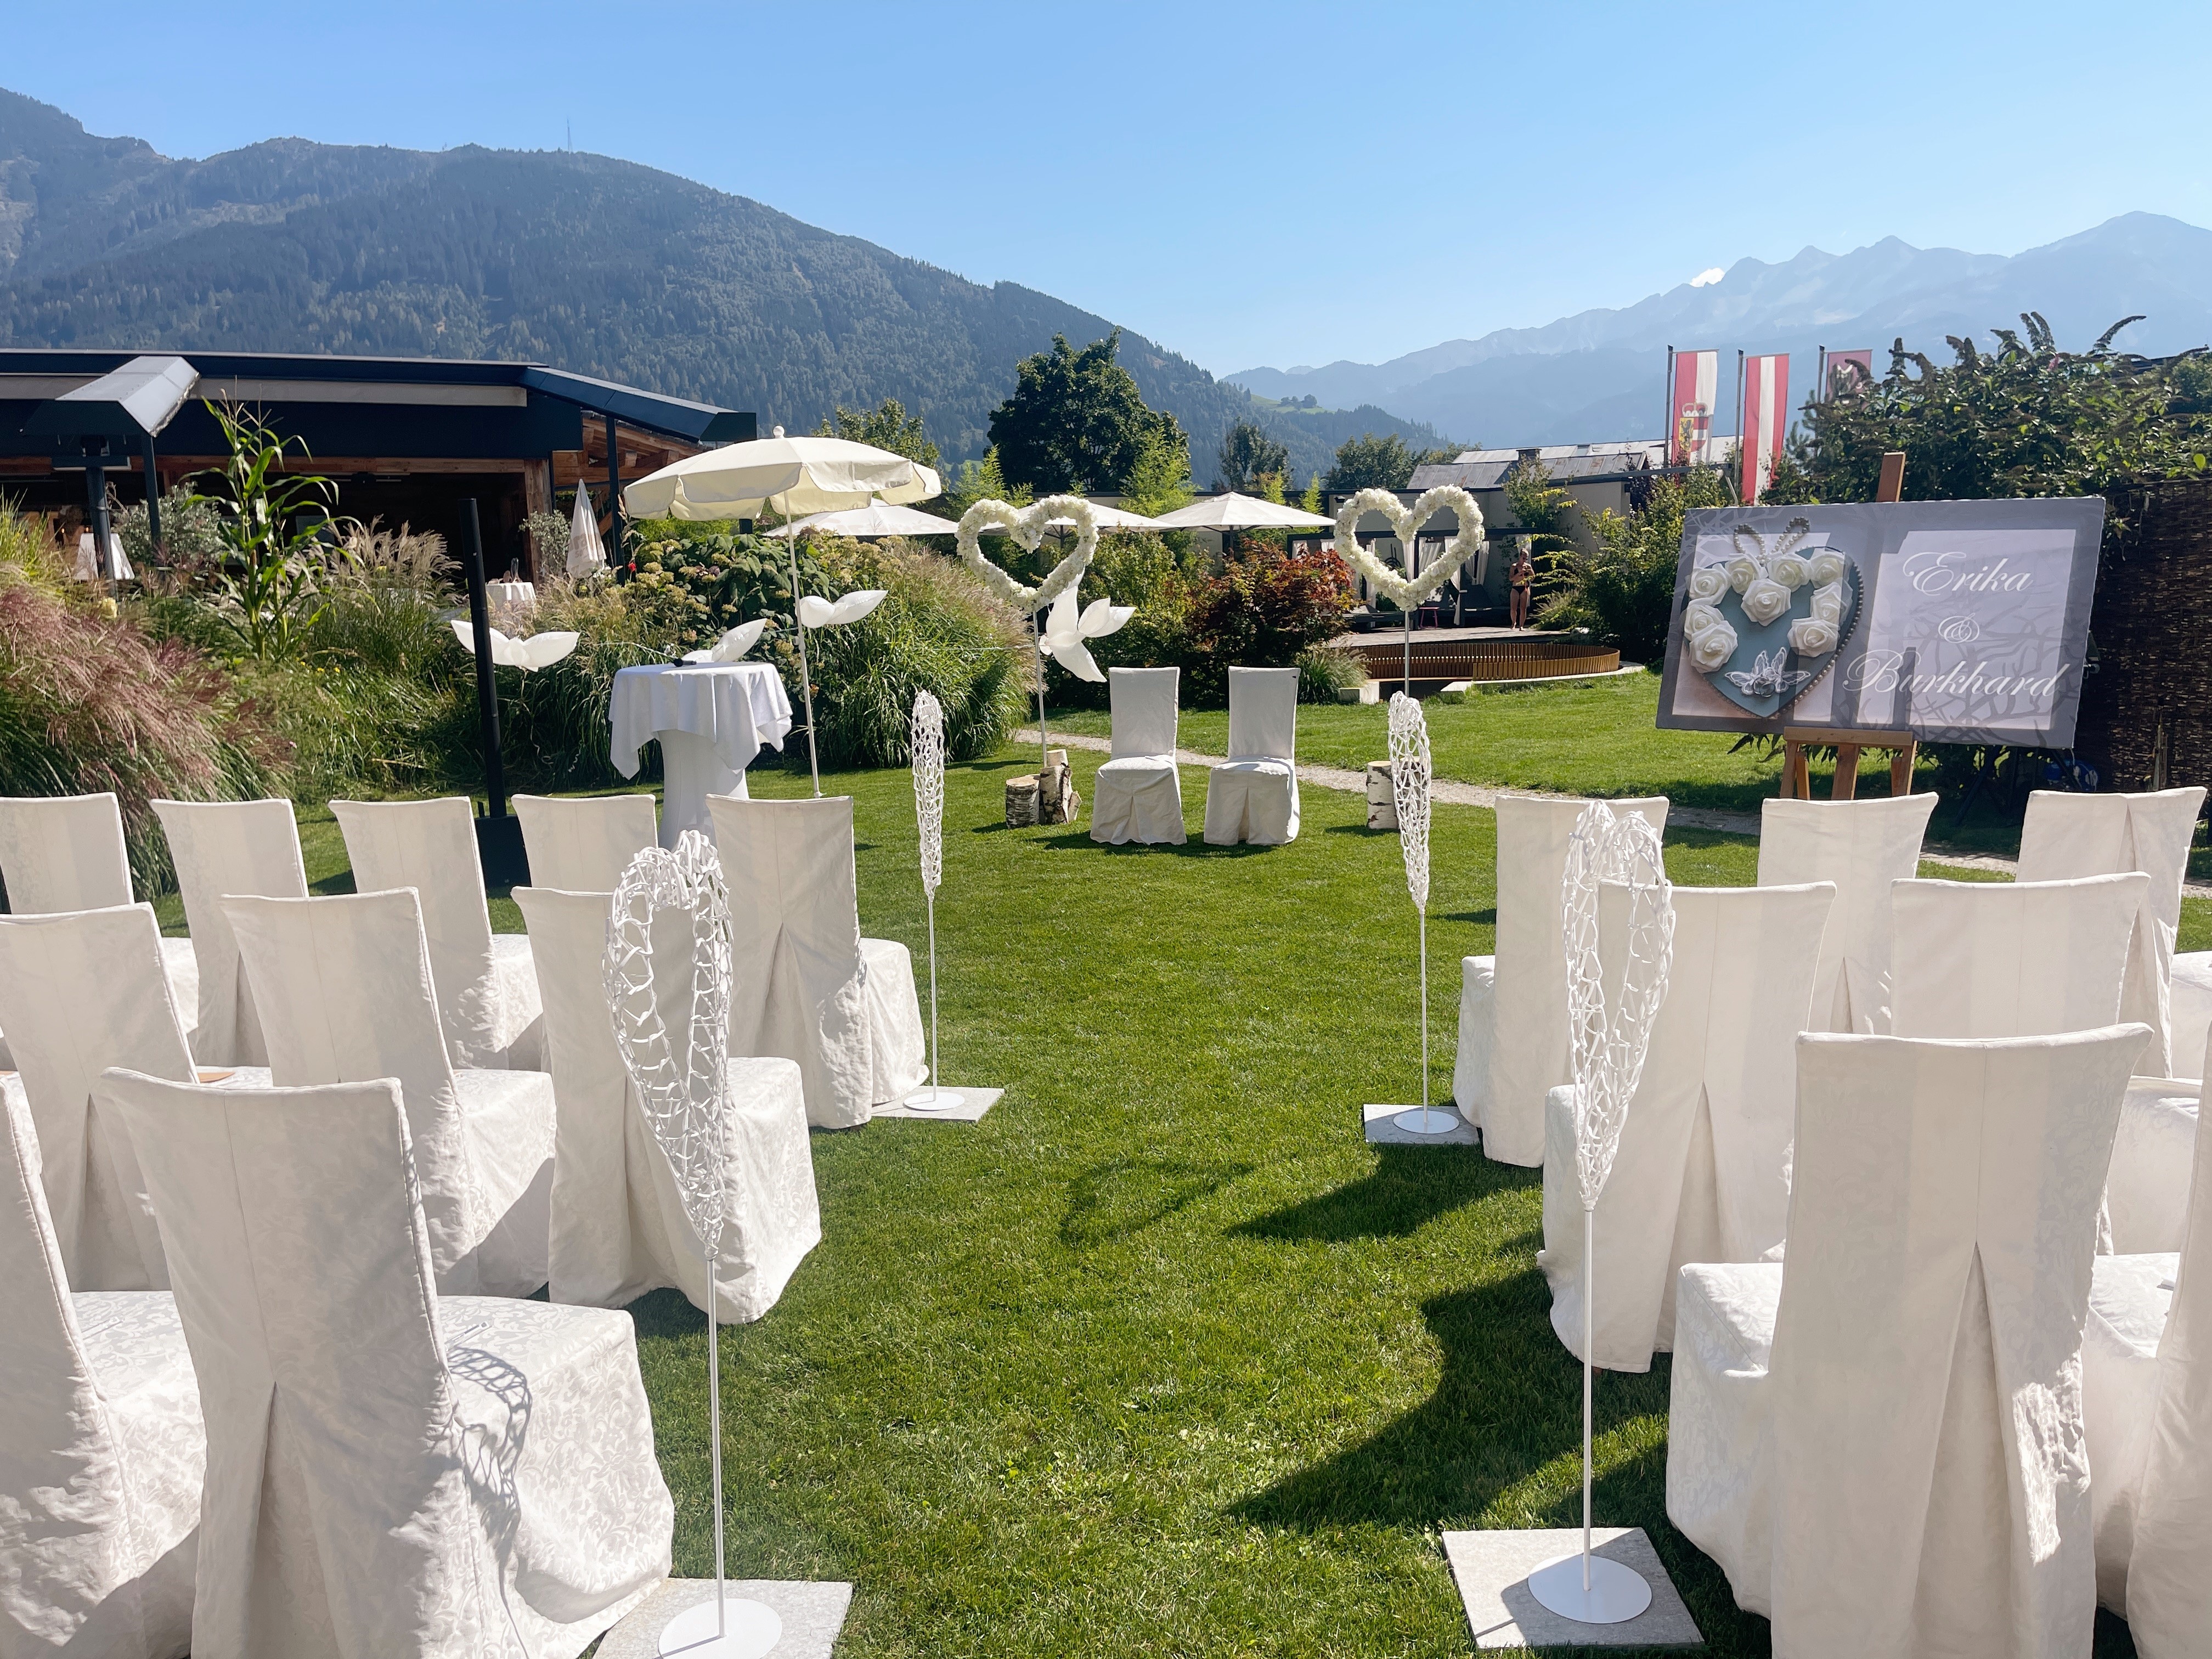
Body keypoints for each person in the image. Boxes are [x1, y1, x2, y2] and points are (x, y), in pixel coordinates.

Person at [1508, 544, 1536, 629]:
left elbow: (1533, 578)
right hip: (1516, 587)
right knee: (1513, 608)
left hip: (1524, 588)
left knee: (1523, 609)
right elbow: (1511, 579)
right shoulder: (1514, 567)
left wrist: (1529, 573)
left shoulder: (1528, 566)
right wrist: (1520, 573)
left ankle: (1522, 626)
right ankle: (1514, 623)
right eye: (1523, 558)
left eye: (1526, 559)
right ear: (1520, 557)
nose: (1524, 560)